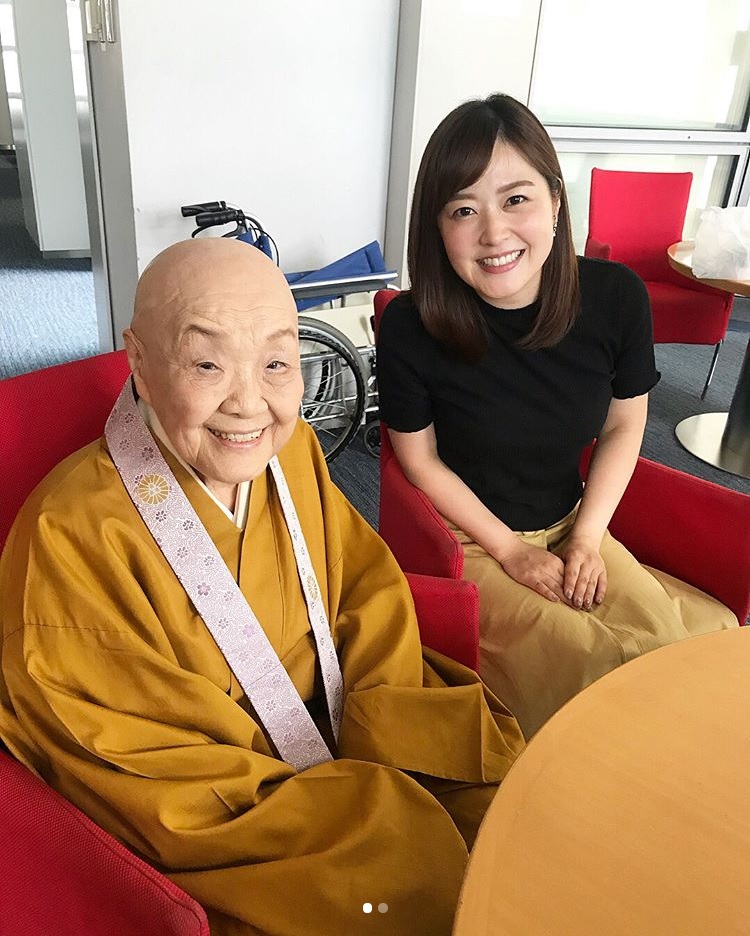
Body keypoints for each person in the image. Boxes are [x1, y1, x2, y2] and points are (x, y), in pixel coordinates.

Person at [0, 238, 524, 936]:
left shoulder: (294, 451)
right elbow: (143, 765)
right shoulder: (69, 538)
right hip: (228, 806)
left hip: (346, 717)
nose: (250, 404)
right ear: (142, 364)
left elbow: (365, 594)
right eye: (208, 363)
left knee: (511, 799)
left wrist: (389, 728)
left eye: (276, 362)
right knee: (405, 874)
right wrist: (352, 802)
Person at [376, 93, 738, 741]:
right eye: (464, 209)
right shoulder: (412, 324)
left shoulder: (613, 297)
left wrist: (589, 537)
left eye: (516, 199)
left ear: (555, 199)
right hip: (467, 541)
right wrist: (511, 550)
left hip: (570, 518)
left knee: (675, 648)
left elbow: (627, 423)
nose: (493, 233)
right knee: (605, 668)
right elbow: (418, 458)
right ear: (437, 228)